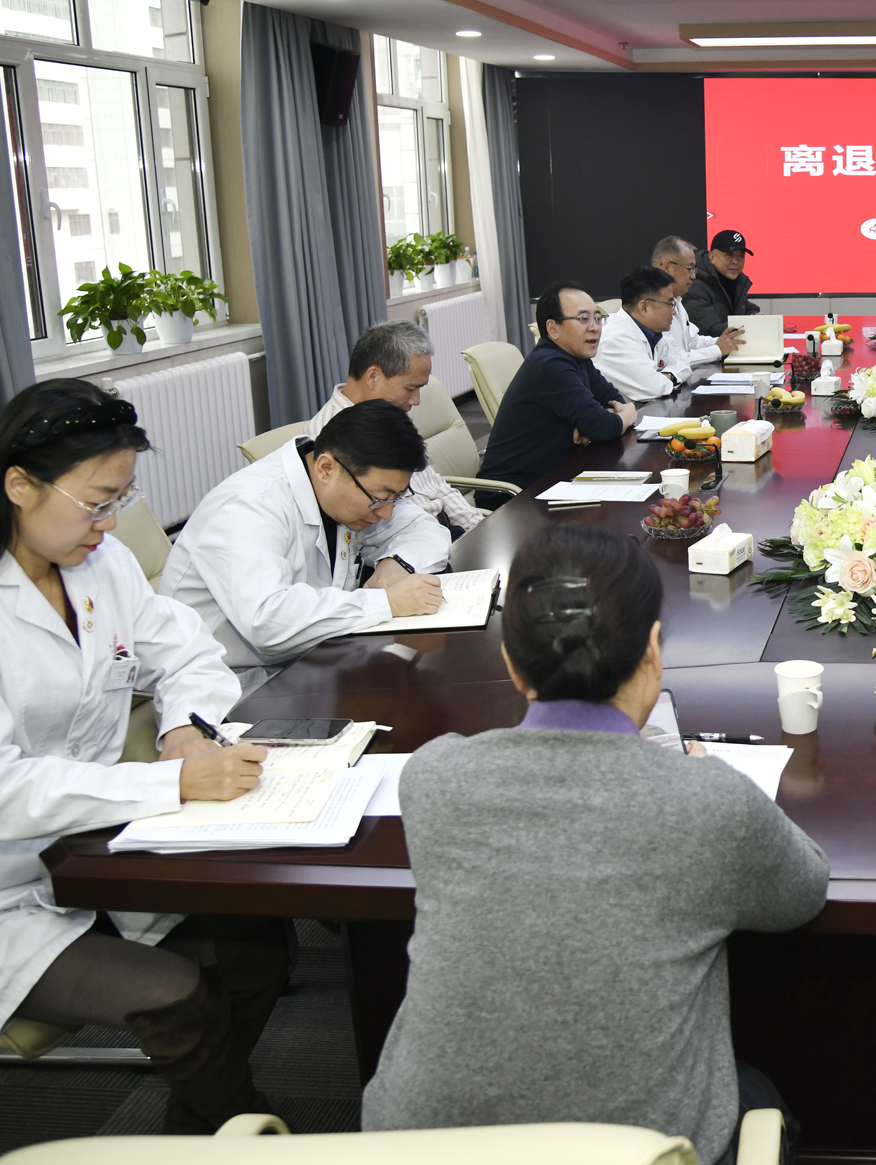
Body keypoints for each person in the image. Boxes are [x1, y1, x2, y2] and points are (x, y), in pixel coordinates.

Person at [363, 524, 829, 1163]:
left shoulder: (435, 777)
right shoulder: (707, 800)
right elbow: (803, 893)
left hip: (417, 1152)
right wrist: (706, 787)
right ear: (653, 650)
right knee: (759, 1096)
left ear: (511, 662)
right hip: (644, 1150)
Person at [0, 379, 286, 1133]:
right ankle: (251, 1133)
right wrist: (173, 782)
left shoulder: (98, 565)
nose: (109, 524)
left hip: (102, 856)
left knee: (258, 946)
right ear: (18, 485)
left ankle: (200, 1133)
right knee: (178, 997)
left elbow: (187, 652)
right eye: (96, 501)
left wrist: (183, 729)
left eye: (121, 500)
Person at [162, 401, 449, 692]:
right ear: (326, 468)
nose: (386, 513)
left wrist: (396, 565)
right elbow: (267, 621)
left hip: (310, 663)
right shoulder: (248, 507)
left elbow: (426, 530)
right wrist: (387, 602)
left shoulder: (342, 490)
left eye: (396, 498)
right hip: (226, 688)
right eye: (380, 498)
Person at [307, 320, 483, 536]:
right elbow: (367, 531)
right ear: (373, 377)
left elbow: (435, 486)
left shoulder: (389, 415)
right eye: (410, 388)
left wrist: (480, 529)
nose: (416, 400)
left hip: (444, 533)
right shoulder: (327, 436)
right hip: (415, 543)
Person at [479, 285, 638, 490]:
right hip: (517, 494)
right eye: (583, 319)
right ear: (553, 328)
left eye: (598, 318)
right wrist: (627, 414)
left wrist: (597, 423)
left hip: (556, 476)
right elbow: (606, 424)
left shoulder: (577, 358)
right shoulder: (550, 365)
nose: (595, 327)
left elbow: (614, 401)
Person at [595, 266, 686, 403]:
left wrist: (666, 376)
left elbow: (683, 362)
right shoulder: (616, 338)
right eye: (670, 304)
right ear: (644, 307)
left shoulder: (651, 332)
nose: (674, 311)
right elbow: (654, 389)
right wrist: (671, 376)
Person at [653, 234, 744, 370]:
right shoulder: (653, 306)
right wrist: (717, 350)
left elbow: (692, 342)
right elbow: (671, 359)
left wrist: (724, 341)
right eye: (689, 268)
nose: (694, 275)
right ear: (667, 268)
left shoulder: (676, 301)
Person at [685, 229, 760, 337]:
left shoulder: (735, 282)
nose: (735, 261)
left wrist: (756, 317)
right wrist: (751, 323)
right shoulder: (693, 286)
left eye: (741, 256)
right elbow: (712, 330)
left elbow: (748, 309)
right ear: (712, 257)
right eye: (729, 255)